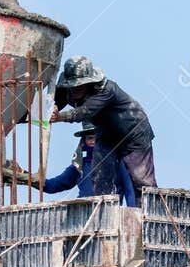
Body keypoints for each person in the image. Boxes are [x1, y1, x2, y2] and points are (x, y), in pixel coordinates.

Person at [49, 56, 157, 196]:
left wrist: (60, 117)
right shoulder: (67, 90)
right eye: (71, 86)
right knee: (100, 175)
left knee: (140, 179)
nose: (74, 90)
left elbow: (85, 111)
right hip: (106, 132)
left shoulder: (106, 90)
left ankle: (147, 212)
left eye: (78, 86)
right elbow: (53, 102)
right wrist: (52, 108)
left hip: (134, 132)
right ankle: (102, 211)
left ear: (88, 83)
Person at [42, 123, 137, 205]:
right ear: (84, 141)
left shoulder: (117, 162)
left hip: (110, 214)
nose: (93, 141)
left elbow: (129, 190)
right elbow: (53, 186)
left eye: (97, 138)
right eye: (90, 138)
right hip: (84, 214)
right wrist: (29, 178)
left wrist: (132, 213)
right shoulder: (79, 165)